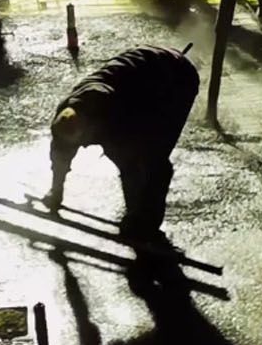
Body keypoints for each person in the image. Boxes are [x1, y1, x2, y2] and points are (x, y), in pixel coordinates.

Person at [43, 45, 200, 242]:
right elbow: (60, 155)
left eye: (82, 142)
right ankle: (136, 214)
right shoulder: (65, 117)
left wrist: (135, 216)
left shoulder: (112, 115)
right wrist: (56, 191)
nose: (81, 147)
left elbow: (134, 165)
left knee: (153, 159)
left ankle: (148, 225)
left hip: (176, 78)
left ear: (89, 129)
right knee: (131, 160)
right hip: (142, 69)